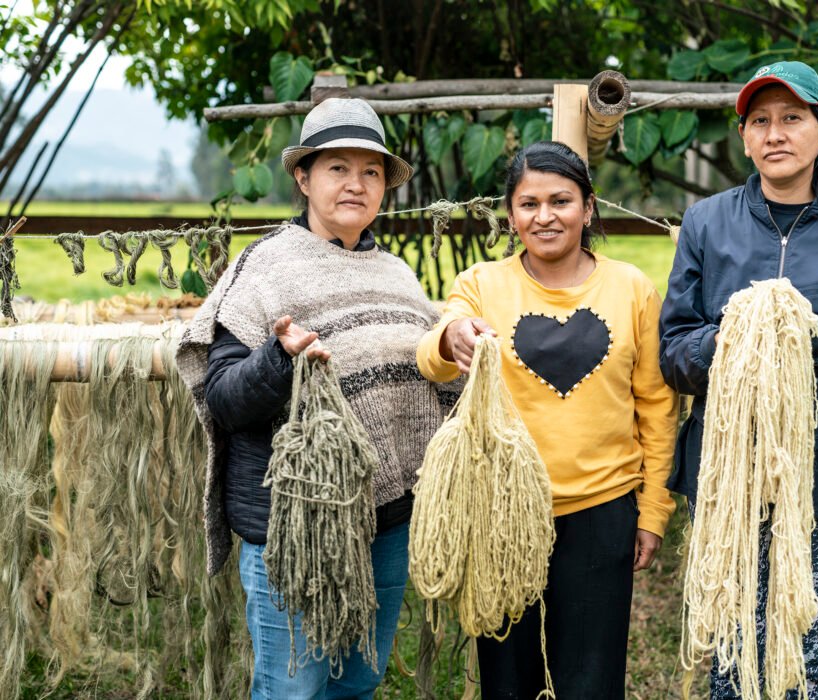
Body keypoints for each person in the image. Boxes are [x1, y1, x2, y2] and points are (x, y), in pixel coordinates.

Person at [176, 97, 457, 700]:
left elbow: (430, 378)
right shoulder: (266, 270)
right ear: (303, 178)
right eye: (338, 168)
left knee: (358, 679)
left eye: (371, 171)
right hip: (293, 527)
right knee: (291, 690)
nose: (356, 184)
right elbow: (222, 398)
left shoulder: (398, 275)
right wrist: (279, 359)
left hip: (387, 522)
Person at [658, 61, 818, 699]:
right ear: (745, 138)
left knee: (808, 651)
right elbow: (673, 354)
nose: (776, 133)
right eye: (760, 121)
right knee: (734, 653)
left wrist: (816, 331)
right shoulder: (707, 223)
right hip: (729, 474)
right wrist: (731, 335)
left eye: (793, 118)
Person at [416, 140, 678, 699]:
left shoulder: (631, 288)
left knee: (589, 677)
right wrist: (451, 335)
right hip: (503, 511)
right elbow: (431, 357)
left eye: (561, 201)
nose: (545, 216)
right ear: (510, 215)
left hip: (601, 508)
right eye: (528, 204)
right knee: (508, 678)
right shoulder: (483, 285)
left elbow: (657, 405)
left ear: (588, 208)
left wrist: (653, 508)